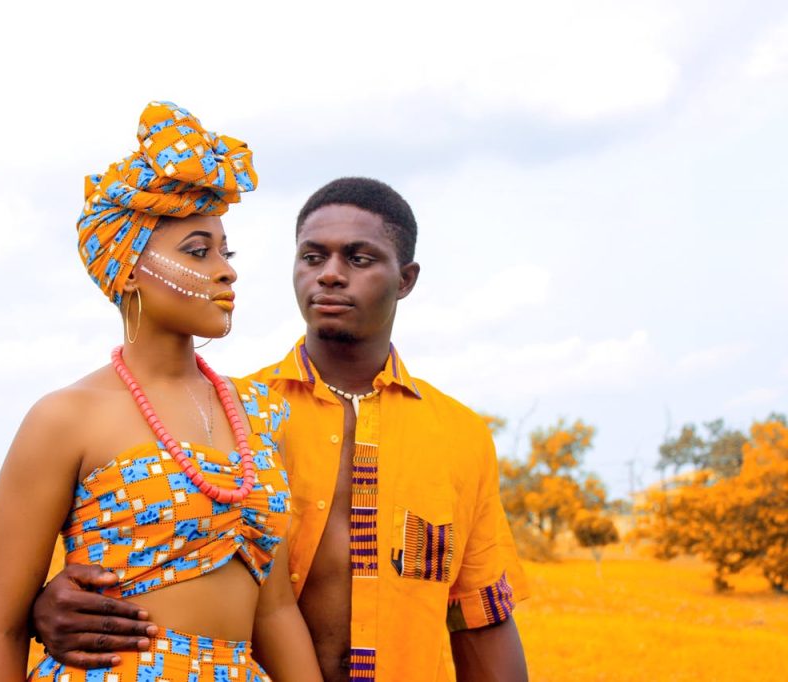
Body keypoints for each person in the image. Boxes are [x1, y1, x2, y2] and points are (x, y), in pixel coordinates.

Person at [31, 177, 530, 681]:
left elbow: (480, 615)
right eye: (313, 258)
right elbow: (155, 552)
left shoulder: (459, 435)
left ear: (406, 279)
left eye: (358, 259)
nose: (331, 275)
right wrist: (45, 605)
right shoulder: (233, 421)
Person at [0, 101, 322, 682]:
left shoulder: (259, 413)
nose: (226, 270)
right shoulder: (65, 419)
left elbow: (276, 608)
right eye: (197, 251)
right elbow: (0, 629)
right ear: (128, 269)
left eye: (225, 252)